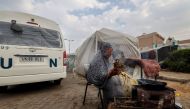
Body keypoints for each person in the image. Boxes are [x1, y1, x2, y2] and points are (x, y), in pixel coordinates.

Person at [86, 42, 124, 107]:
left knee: (117, 79)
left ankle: (119, 97)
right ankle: (107, 103)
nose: (111, 54)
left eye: (111, 52)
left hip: (103, 76)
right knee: (110, 83)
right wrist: (110, 74)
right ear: (105, 50)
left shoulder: (105, 56)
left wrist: (113, 71)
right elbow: (99, 76)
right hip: (95, 79)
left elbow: (107, 67)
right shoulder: (98, 59)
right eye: (110, 52)